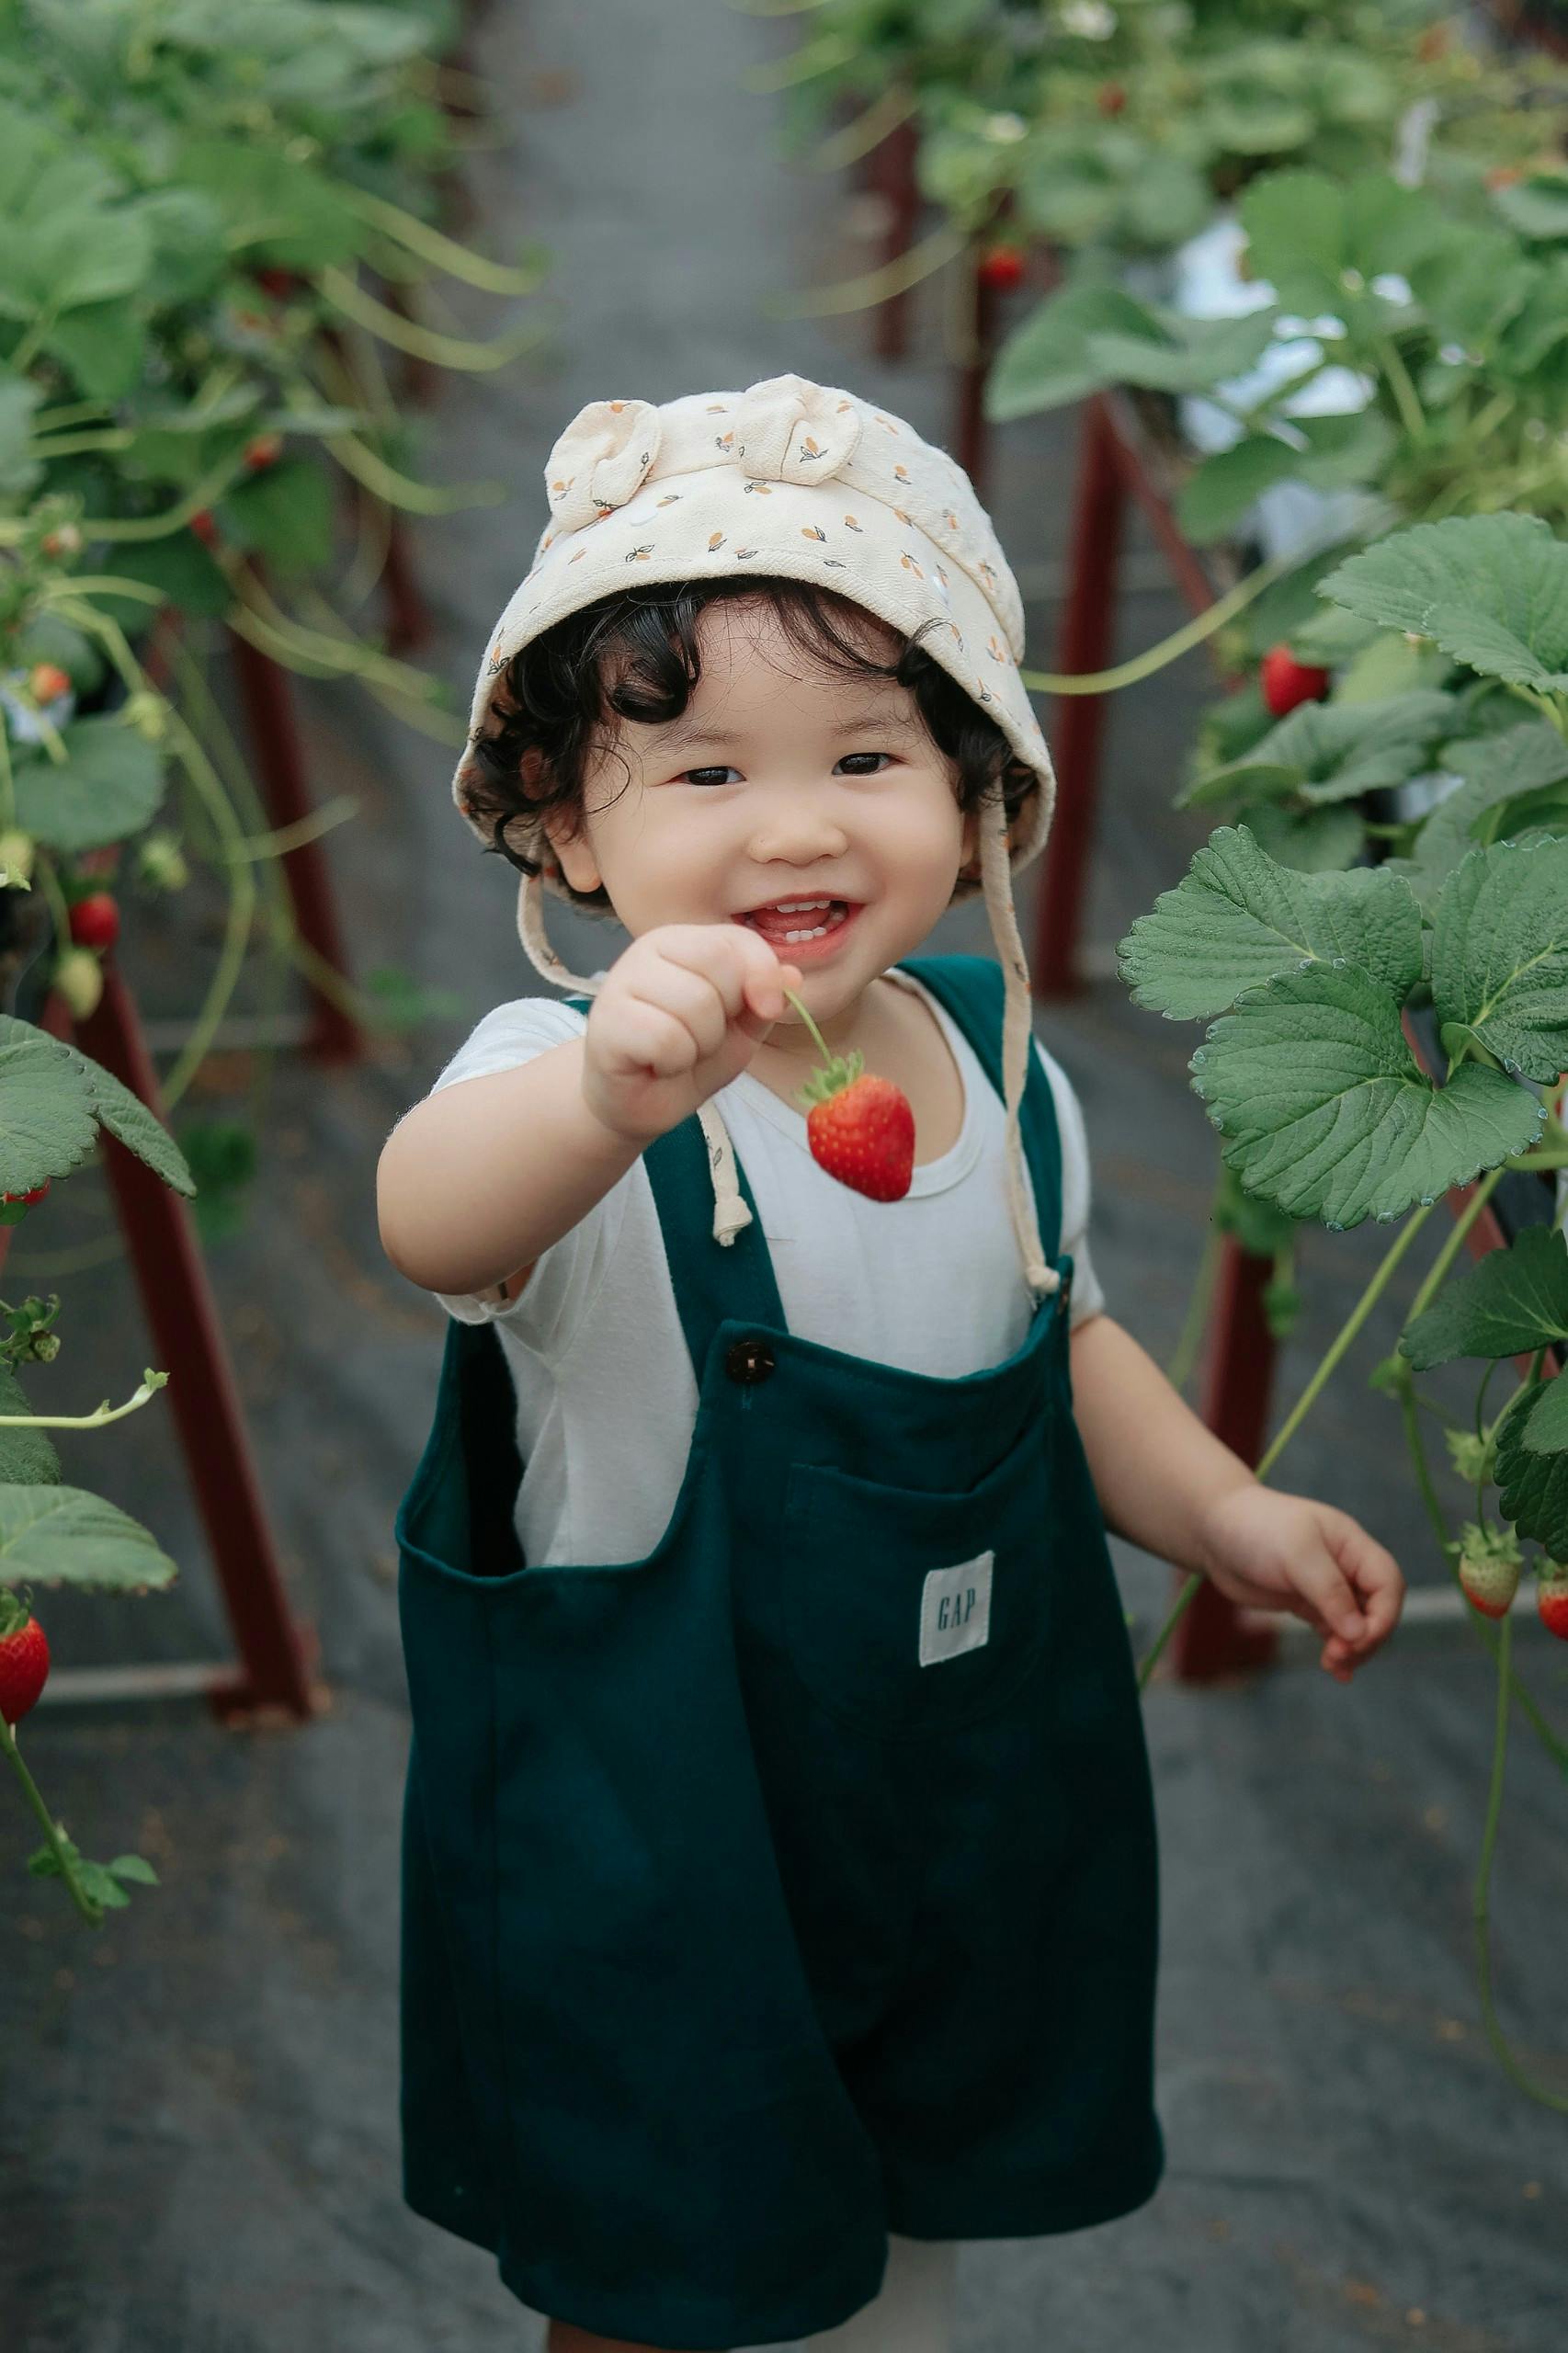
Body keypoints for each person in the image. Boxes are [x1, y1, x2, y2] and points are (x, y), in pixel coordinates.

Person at [377, 373, 1406, 2353]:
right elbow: (435, 1222)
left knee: (891, 2239)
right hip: (663, 1831)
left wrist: (1226, 1509)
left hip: (932, 1810)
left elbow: (1064, 1337)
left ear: (975, 801)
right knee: (669, 2267)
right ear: (570, 836)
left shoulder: (1000, 1077)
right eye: (695, 776)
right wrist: (607, 1090)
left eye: (867, 754)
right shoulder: (567, 1089)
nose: (793, 823)